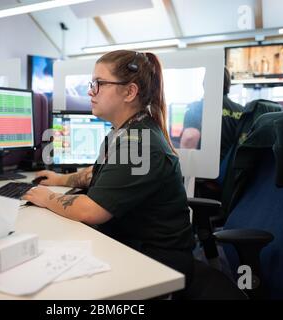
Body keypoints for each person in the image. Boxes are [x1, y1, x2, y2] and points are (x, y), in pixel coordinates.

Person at [23, 50, 195, 287]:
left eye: (99, 84)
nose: (90, 91)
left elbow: (91, 211)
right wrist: (59, 181)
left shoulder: (140, 144)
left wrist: (47, 198)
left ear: (130, 92)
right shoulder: (124, 132)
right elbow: (99, 174)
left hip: (156, 260)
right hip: (131, 244)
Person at [179, 67, 243, 162]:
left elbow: (190, 137)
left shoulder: (197, 107)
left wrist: (184, 169)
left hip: (205, 170)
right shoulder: (241, 110)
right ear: (228, 85)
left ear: (205, 84)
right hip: (232, 172)